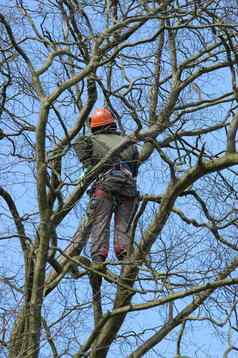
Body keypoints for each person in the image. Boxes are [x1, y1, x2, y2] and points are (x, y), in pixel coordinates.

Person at [74, 108, 139, 265]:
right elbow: (135, 169)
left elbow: (79, 145)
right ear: (112, 124)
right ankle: (125, 256)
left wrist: (89, 167)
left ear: (95, 127)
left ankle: (98, 258)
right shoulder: (128, 142)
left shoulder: (90, 140)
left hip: (106, 183)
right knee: (124, 224)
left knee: (100, 221)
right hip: (128, 186)